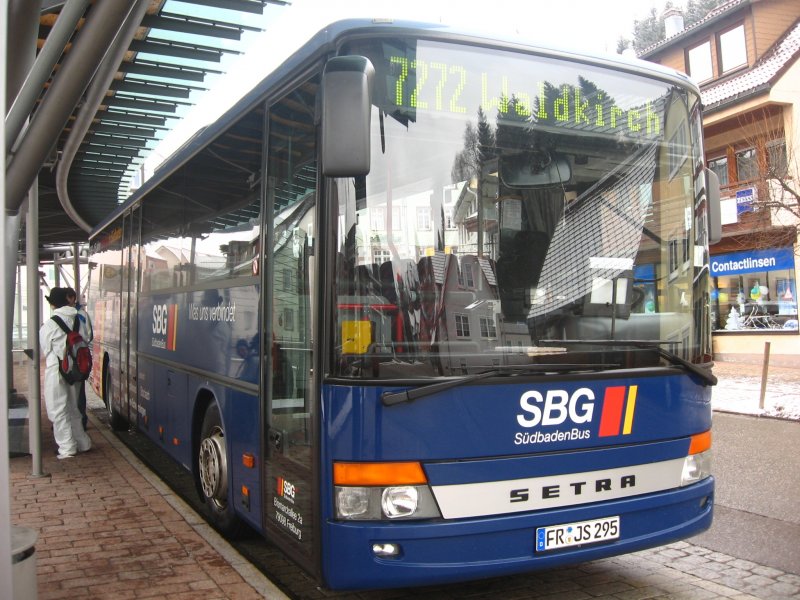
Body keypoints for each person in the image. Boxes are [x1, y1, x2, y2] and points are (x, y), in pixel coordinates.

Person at [39, 287, 92, 459]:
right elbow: (87, 337)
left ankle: (67, 447)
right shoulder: (80, 319)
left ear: (53, 303)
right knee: (73, 407)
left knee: (57, 410)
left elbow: (46, 349)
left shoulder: (50, 324)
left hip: (57, 370)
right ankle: (83, 442)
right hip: (75, 371)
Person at [65, 287, 93, 430]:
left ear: (71, 298)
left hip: (70, 359)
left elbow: (88, 335)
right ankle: (79, 420)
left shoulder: (79, 315)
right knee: (77, 390)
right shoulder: (81, 314)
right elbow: (89, 336)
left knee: (74, 390)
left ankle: (78, 420)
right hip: (77, 359)